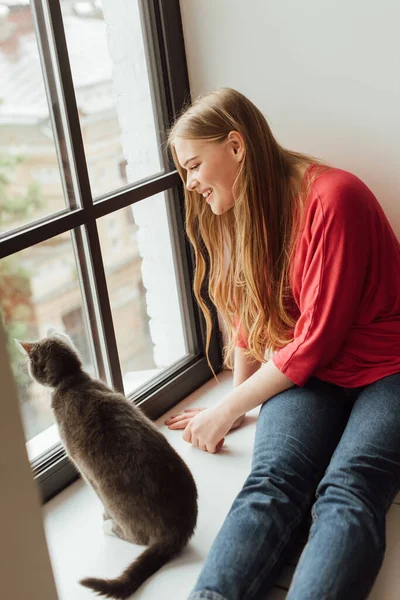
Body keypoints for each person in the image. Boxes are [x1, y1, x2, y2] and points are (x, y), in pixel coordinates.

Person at [165, 88, 400, 600]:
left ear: (235, 145)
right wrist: (241, 401)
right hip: (305, 374)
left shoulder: (336, 197)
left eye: (193, 165)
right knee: (271, 482)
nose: (190, 183)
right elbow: (252, 320)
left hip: (389, 368)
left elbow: (316, 340)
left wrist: (228, 408)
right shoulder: (244, 214)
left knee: (349, 488)